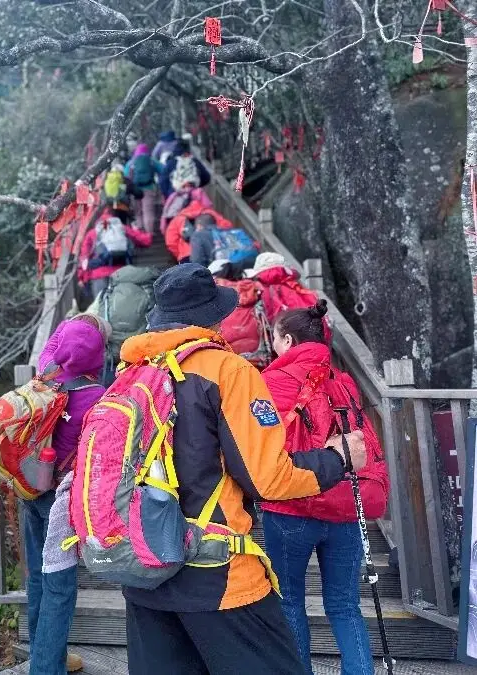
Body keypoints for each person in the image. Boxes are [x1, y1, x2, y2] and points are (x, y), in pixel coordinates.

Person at [115, 264, 367, 674]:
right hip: (217, 573)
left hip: (145, 570)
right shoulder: (227, 370)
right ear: (214, 316)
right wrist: (337, 459)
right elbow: (268, 477)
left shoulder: (132, 371)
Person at [260, 301, 389, 675]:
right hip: (347, 503)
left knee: (289, 604)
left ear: (288, 340)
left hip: (290, 506)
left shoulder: (269, 382)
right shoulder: (343, 381)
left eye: (275, 339)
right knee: (346, 606)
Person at [25, 316, 108, 674]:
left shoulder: (42, 381)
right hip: (61, 499)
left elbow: (55, 345)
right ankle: (46, 667)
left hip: (29, 488)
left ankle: (46, 654)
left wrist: (72, 326)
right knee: (59, 584)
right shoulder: (98, 396)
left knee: (36, 578)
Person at [78, 209, 152, 300]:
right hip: (121, 273)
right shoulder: (122, 228)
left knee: (100, 307)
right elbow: (146, 241)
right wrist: (139, 230)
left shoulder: (92, 233)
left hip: (98, 275)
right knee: (122, 306)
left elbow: (84, 259)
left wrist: (82, 277)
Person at [164, 199, 232, 263]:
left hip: (187, 255)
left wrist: (179, 254)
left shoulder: (178, 218)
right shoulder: (210, 213)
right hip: (212, 252)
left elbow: (171, 242)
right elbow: (227, 226)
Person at [124, 144, 163, 234]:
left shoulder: (131, 163)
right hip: (149, 188)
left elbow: (126, 176)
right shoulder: (151, 161)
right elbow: (163, 170)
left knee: (138, 212)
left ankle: (140, 233)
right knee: (148, 211)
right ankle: (149, 233)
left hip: (135, 190)